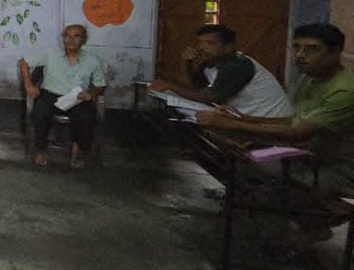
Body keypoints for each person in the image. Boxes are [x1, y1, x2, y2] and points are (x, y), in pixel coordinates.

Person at [197, 23, 354, 248]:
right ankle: (308, 218)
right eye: (297, 48)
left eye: (311, 49)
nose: (300, 55)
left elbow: (298, 133)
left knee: (251, 162)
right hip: (312, 154)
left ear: (335, 52)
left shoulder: (345, 90)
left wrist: (229, 123)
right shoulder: (310, 78)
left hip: (339, 168)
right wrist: (240, 119)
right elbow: (291, 121)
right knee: (237, 152)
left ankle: (317, 220)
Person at [150, 24, 292, 118]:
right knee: (173, 100)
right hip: (245, 116)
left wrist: (169, 86)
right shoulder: (211, 62)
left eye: (211, 44)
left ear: (228, 47)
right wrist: (185, 61)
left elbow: (209, 97)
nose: (202, 48)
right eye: (200, 43)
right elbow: (191, 86)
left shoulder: (238, 65)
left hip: (269, 120)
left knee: (197, 114)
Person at [18, 24, 107, 169]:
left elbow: (100, 84)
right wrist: (29, 85)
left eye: (76, 36)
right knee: (40, 113)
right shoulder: (50, 54)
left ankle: (76, 154)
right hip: (50, 95)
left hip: (77, 98)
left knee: (86, 117)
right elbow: (24, 63)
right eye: (67, 36)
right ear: (62, 39)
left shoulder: (92, 61)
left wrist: (91, 94)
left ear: (84, 40)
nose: (71, 40)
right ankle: (41, 151)